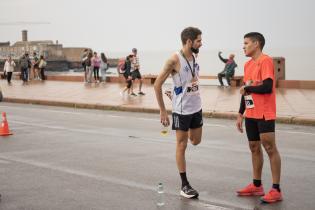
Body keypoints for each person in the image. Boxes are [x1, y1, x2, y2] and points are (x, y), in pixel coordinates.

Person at [154, 27, 203, 199]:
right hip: (181, 111)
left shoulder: (195, 55)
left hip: (196, 107)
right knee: (182, 145)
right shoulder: (173, 60)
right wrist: (163, 111)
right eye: (198, 41)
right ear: (189, 41)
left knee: (196, 141)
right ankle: (184, 185)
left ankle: (173, 95)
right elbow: (157, 84)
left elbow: (191, 77)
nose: (201, 43)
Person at [236, 32, 282, 203]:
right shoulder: (248, 65)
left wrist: (248, 89)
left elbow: (268, 87)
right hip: (251, 113)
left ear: (256, 44)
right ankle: (257, 185)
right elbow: (246, 90)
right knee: (254, 147)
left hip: (265, 112)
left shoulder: (266, 61)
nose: (243, 46)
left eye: (246, 43)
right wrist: (241, 113)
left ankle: (276, 189)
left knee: (270, 148)